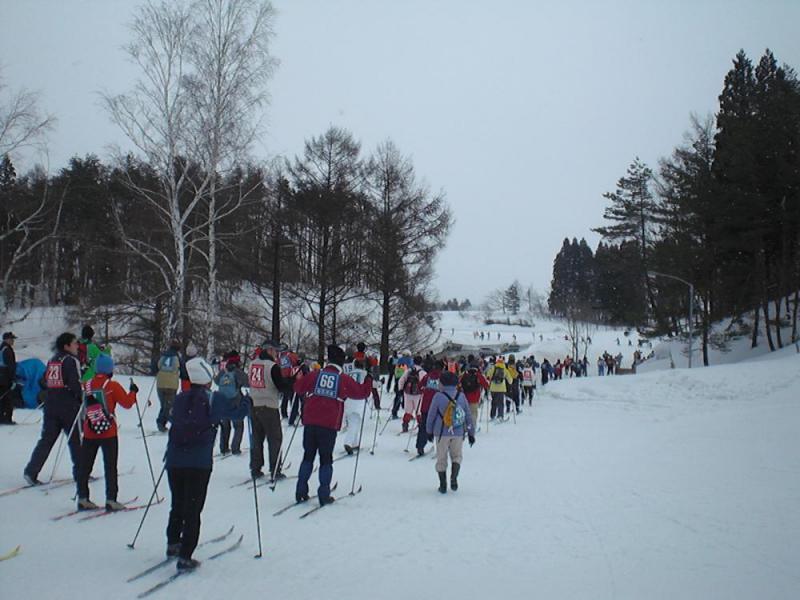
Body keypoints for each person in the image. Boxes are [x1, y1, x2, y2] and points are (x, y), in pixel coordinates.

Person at [165, 356, 247, 571]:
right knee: (193, 509)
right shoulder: (214, 399)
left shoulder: (180, 398)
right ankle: (185, 555)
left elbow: (172, 420)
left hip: (174, 459)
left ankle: (172, 542)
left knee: (177, 503)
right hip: (198, 462)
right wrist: (247, 402)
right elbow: (236, 413)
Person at [293, 344, 373, 506]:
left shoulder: (315, 374)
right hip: (328, 424)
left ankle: (300, 490)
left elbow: (298, 387)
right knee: (325, 459)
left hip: (310, 421)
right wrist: (369, 377)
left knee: (308, 457)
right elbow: (362, 393)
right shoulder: (342, 379)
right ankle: (324, 494)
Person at [76, 354, 137, 511]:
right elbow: (127, 403)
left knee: (85, 465)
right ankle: (111, 499)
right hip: (108, 431)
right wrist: (133, 392)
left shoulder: (87, 384)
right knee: (110, 466)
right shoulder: (112, 385)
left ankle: (82, 497)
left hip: (89, 430)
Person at [24, 332, 83, 485]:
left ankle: (31, 471)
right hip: (68, 406)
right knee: (76, 440)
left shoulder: (53, 360)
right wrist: (82, 398)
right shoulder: (71, 360)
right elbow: (76, 384)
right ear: (67, 346)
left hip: (51, 405)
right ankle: (82, 473)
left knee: (47, 439)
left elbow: (43, 380)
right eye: (74, 343)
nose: (77, 346)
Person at [247, 341, 293, 480]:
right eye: (275, 351)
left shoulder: (252, 364)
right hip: (269, 406)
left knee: (257, 438)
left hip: (254, 404)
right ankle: (275, 469)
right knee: (274, 439)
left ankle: (255, 467)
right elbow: (281, 386)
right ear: (269, 350)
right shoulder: (272, 366)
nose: (276, 354)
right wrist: (291, 382)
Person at [426, 371, 475, 493]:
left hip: (441, 432)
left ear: (442, 383)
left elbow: (431, 415)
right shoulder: (461, 396)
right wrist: (471, 433)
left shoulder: (438, 396)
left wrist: (429, 431)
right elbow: (468, 415)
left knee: (441, 458)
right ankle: (454, 477)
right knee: (457, 456)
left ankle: (443, 485)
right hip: (458, 432)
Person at [214, 351, 248, 455]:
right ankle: (235, 448)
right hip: (235, 400)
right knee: (238, 425)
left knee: (225, 425)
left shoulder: (223, 371)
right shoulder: (237, 372)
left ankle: (223, 447)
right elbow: (247, 382)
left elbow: (216, 381)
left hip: (223, 400)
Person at [155, 339, 183, 432]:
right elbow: (183, 370)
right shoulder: (177, 357)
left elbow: (155, 366)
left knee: (164, 405)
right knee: (169, 406)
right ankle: (162, 423)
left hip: (160, 383)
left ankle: (162, 423)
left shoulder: (163, 355)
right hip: (171, 384)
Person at [397, 356, 424, 433]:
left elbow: (401, 380)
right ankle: (421, 427)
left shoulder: (408, 370)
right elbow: (425, 384)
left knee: (408, 411)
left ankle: (405, 425)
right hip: (418, 395)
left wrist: (400, 389)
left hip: (407, 393)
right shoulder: (422, 372)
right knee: (419, 411)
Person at [459, 358, 489, 427]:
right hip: (474, 398)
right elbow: (486, 384)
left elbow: (458, 383)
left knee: (465, 413)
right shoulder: (478, 375)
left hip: (464, 398)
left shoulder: (464, 374)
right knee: (473, 414)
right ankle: (472, 428)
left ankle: (464, 428)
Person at [0, 332, 18, 424]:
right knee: (8, 399)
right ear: (6, 339)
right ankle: (7, 419)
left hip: (1, 377)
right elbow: (11, 366)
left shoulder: (1, 348)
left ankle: (1, 418)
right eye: (11, 339)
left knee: (2, 398)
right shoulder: (7, 350)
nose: (13, 341)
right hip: (5, 378)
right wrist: (13, 379)